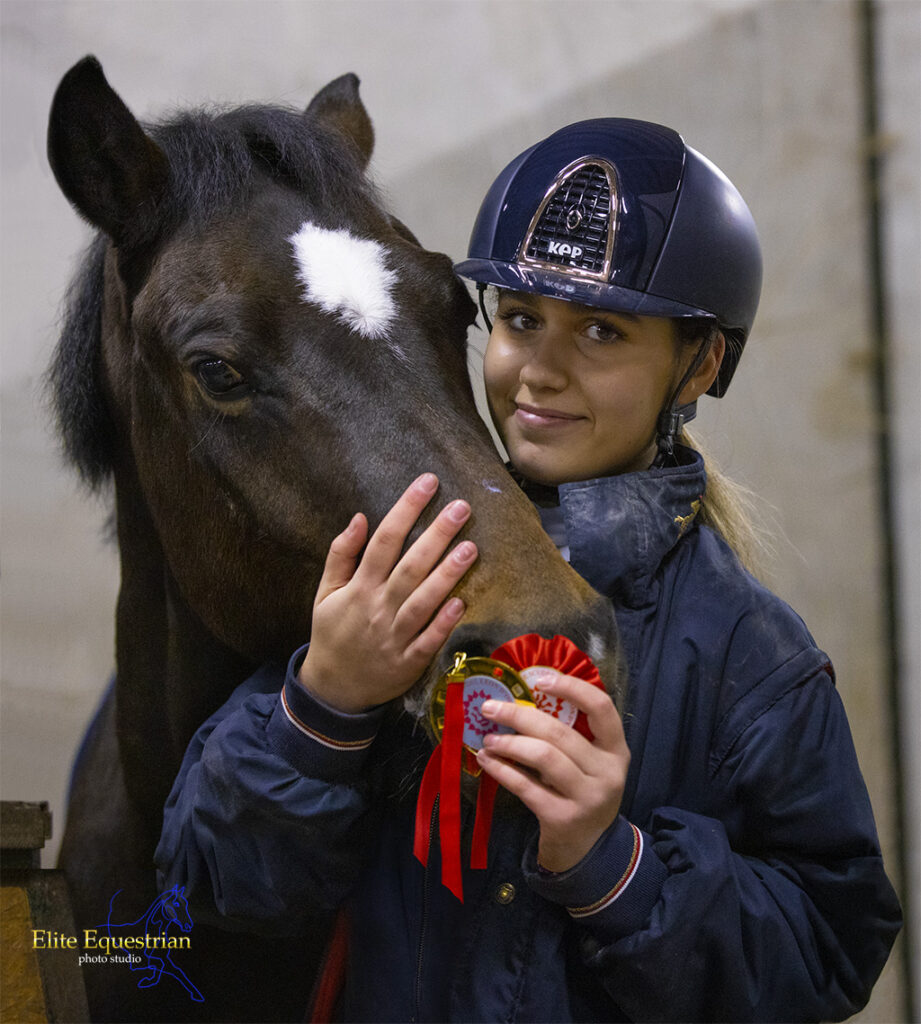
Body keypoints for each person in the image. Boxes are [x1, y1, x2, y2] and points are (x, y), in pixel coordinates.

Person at [156, 118, 901, 1022]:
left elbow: (827, 951)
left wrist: (613, 868)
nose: (539, 371)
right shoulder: (404, 566)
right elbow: (218, 890)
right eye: (517, 320)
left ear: (698, 364)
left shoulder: (753, 656)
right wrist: (322, 707)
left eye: (600, 331)